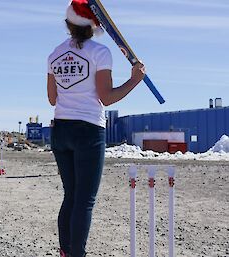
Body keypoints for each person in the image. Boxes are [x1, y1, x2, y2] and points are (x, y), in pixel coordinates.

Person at [47, 1, 145, 256]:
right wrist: (134, 81)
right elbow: (106, 97)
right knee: (84, 201)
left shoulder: (54, 55)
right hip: (88, 130)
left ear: (69, 24)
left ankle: (66, 252)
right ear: (93, 25)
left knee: (71, 196)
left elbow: (52, 98)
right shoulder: (100, 53)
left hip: (61, 129)